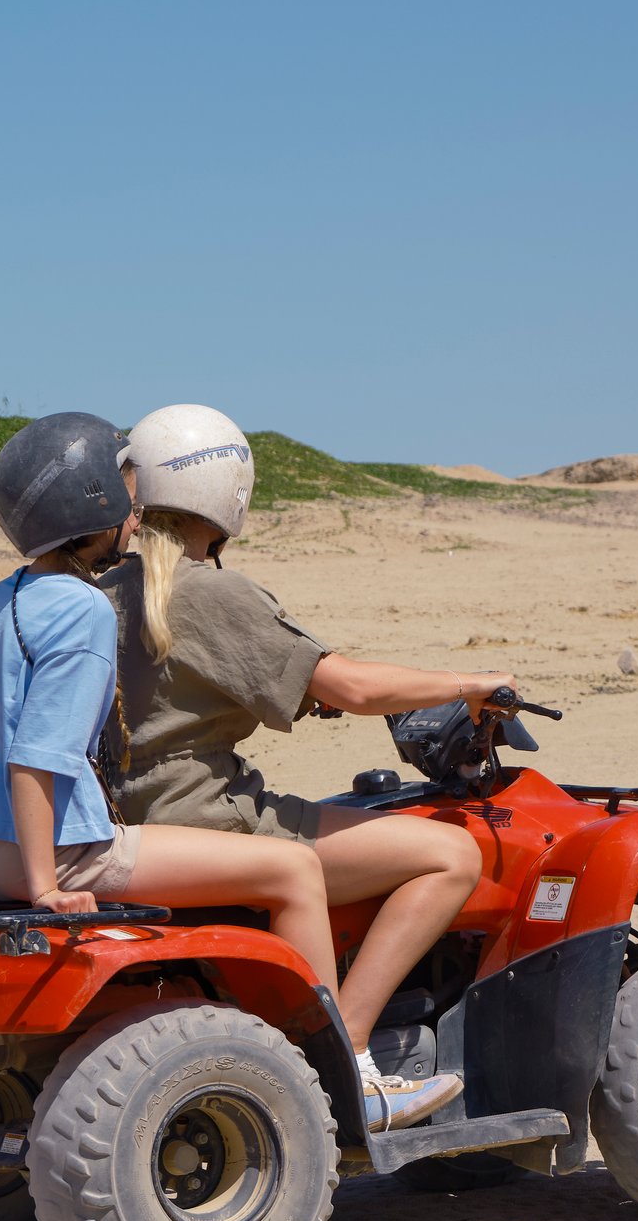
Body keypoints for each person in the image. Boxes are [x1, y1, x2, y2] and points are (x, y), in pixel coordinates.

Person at [0, 413, 457, 1134]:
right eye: (123, 497)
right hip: (60, 854)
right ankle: (340, 1076)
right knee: (298, 870)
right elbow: (37, 757)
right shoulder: (82, 609)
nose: (134, 512)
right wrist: (45, 887)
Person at [110, 403, 513, 1115]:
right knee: (451, 855)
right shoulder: (209, 590)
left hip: (126, 824)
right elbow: (352, 685)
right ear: (226, 490)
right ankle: (349, 1052)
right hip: (206, 819)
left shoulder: (105, 585)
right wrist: (470, 685)